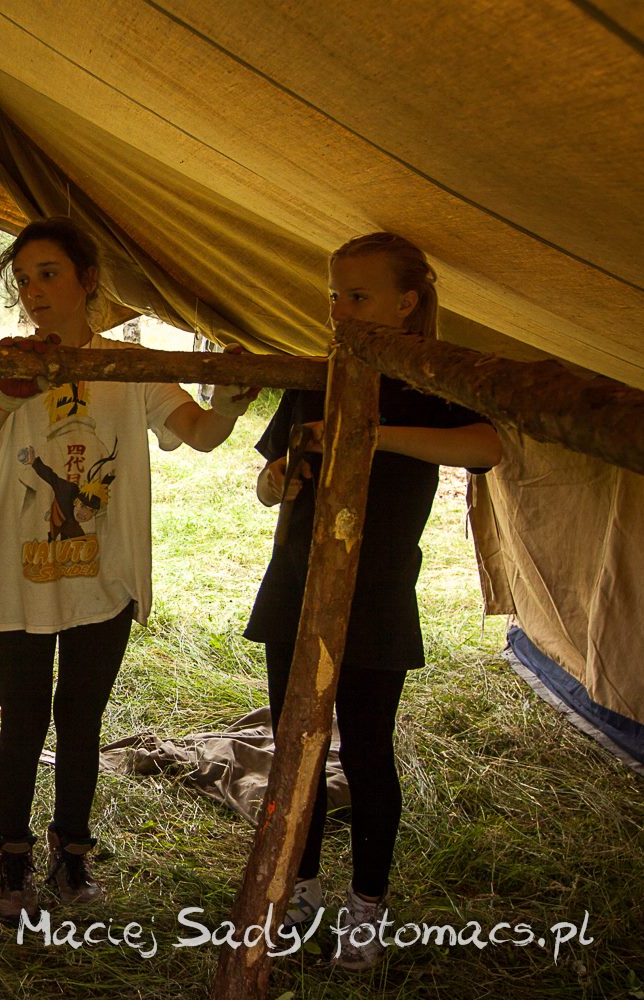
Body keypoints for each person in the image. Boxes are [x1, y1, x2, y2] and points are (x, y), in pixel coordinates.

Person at [0, 217, 256, 924]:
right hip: (21, 574)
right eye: (24, 280)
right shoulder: (4, 361)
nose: (33, 291)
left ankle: (73, 850)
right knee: (24, 720)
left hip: (102, 574)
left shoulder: (132, 367)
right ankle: (11, 854)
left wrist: (228, 405)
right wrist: (6, 393)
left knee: (81, 720)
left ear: (88, 280)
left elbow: (200, 434)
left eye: (48, 273)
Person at [244, 232, 503, 970]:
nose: (340, 311)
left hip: (377, 593)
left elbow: (486, 448)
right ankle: (301, 889)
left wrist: (369, 435)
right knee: (295, 746)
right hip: (296, 586)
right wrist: (279, 479)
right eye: (334, 296)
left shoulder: (430, 383)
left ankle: (367, 908)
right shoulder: (314, 375)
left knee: (365, 751)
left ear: (406, 303)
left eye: (357, 296)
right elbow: (267, 480)